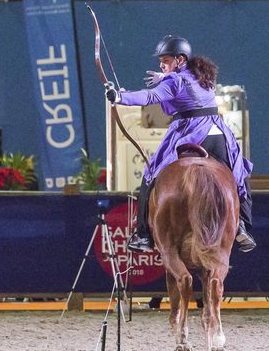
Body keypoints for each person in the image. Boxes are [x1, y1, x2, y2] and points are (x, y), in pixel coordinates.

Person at [105, 35, 256, 253]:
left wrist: (120, 97)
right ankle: (243, 226)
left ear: (180, 60)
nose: (161, 64)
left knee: (150, 175)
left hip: (191, 133)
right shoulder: (201, 76)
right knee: (239, 174)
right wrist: (163, 76)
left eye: (165, 60)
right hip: (218, 133)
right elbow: (182, 87)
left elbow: (149, 97)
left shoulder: (173, 81)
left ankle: (143, 235)